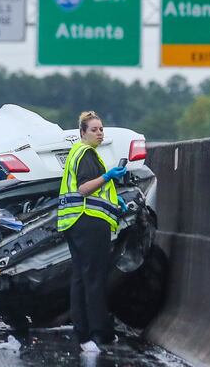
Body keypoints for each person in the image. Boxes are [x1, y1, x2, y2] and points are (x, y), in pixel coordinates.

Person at [58, 111, 127, 352]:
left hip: (74, 222)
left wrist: (116, 201)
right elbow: (85, 188)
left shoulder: (77, 153)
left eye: (101, 129)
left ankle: (83, 332)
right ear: (82, 133)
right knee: (95, 278)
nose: (100, 133)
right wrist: (108, 175)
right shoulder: (87, 154)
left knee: (80, 277)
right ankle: (101, 333)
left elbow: (93, 191)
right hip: (88, 221)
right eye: (94, 129)